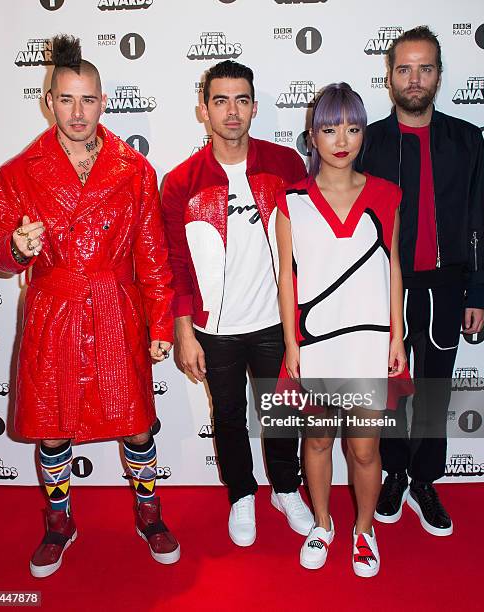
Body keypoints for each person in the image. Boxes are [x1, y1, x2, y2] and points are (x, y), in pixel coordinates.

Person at [0, 35, 180, 577]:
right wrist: (14, 248)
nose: (77, 112)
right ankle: (59, 521)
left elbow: (152, 253)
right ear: (48, 101)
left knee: (137, 422)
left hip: (117, 308)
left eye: (87, 100)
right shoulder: (18, 172)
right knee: (52, 424)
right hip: (54, 308)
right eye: (65, 100)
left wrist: (161, 320)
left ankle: (148, 510)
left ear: (104, 100)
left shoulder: (134, 169)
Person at [161, 60, 313, 547]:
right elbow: (175, 263)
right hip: (216, 329)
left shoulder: (285, 164)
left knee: (283, 414)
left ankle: (286, 490)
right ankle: (242, 495)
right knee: (227, 415)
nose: (232, 111)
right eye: (221, 100)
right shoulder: (181, 182)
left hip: (276, 322)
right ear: (203, 109)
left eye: (241, 100)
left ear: (254, 106)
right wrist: (184, 330)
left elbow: (308, 245)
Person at [358, 26, 484, 536]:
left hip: (446, 284)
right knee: (393, 389)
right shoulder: (368, 140)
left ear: (439, 75)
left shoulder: (463, 138)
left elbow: (479, 216)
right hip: (384, 288)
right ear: (389, 75)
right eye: (405, 69)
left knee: (433, 389)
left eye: (425, 68)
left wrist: (478, 289)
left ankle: (425, 479)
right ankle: (394, 471)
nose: (415, 79)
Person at [276, 83, 406, 577]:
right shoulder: (292, 201)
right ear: (313, 136)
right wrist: (292, 343)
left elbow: (393, 268)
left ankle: (365, 530)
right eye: (330, 129)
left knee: (365, 447)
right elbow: (287, 276)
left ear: (363, 134)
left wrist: (396, 336)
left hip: (369, 344)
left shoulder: (386, 194)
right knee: (317, 440)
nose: (341, 140)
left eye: (352, 128)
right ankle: (324, 523)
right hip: (316, 346)